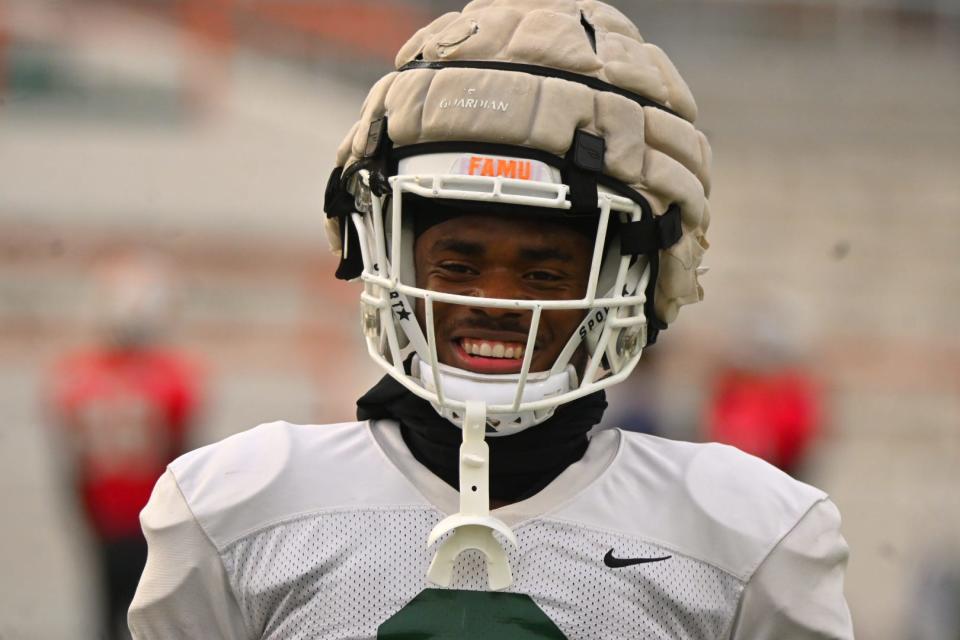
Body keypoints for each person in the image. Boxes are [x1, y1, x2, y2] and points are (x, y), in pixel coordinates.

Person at [129, 1, 854, 637]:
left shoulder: (747, 538)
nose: (496, 301)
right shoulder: (239, 510)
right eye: (458, 264)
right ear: (392, 261)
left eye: (544, 273)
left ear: (633, 278)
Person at [49, 250, 201, 640]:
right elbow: (183, 458)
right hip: (151, 516)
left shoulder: (76, 376)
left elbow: (74, 464)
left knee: (105, 617)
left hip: (103, 516)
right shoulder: (173, 377)